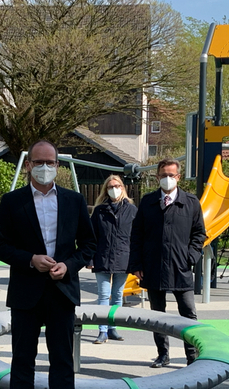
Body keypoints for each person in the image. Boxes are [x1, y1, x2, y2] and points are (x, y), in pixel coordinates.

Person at [0, 140, 95, 389]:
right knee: (22, 360)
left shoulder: (74, 201)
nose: (45, 167)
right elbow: (0, 247)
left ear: (58, 166)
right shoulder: (12, 202)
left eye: (51, 162)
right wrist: (30, 259)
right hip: (26, 291)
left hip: (62, 292)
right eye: (39, 162)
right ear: (28, 165)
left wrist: (70, 265)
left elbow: (89, 246)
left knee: (62, 361)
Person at [128, 158, 205, 368]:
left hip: (181, 267)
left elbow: (199, 234)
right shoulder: (148, 201)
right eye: (163, 175)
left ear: (178, 177)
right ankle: (163, 354)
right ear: (157, 177)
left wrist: (191, 257)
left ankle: (192, 355)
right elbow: (137, 234)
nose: (167, 179)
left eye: (171, 175)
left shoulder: (191, 202)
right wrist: (136, 264)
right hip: (153, 267)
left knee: (188, 314)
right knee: (157, 315)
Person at [88, 174, 138, 344]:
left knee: (117, 295)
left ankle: (113, 327)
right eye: (110, 186)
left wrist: (136, 260)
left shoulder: (131, 211)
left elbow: (136, 237)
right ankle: (102, 331)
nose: (114, 189)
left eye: (117, 186)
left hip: (123, 258)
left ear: (123, 188)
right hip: (102, 257)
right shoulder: (99, 211)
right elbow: (91, 236)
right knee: (103, 294)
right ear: (105, 190)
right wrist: (90, 259)